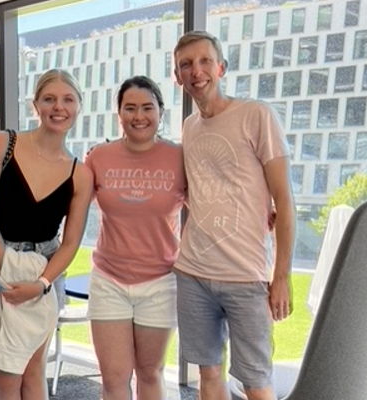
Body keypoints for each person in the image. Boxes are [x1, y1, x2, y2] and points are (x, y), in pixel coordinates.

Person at [172, 31, 296, 400]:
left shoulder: (256, 115)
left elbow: (285, 200)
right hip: (193, 272)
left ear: (221, 68)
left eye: (204, 61)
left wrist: (281, 277)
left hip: (246, 276)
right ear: (178, 77)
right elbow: (200, 191)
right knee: (208, 375)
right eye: (186, 65)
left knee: (256, 382)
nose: (196, 71)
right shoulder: (189, 127)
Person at [0, 68, 93, 400]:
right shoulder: (1, 144)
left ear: (79, 106)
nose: (58, 107)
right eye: (49, 99)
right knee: (7, 375)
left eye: (68, 100)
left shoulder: (80, 174)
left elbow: (71, 242)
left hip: (45, 271)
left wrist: (41, 283)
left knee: (35, 369)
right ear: (35, 105)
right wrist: (10, 268)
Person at [84, 75, 187, 400]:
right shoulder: (99, 157)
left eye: (147, 107)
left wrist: (262, 211)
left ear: (160, 112)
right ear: (119, 114)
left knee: (150, 372)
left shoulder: (179, 157)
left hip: (160, 282)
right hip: (109, 281)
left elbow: (209, 204)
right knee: (114, 378)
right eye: (130, 108)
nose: (138, 115)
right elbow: (70, 204)